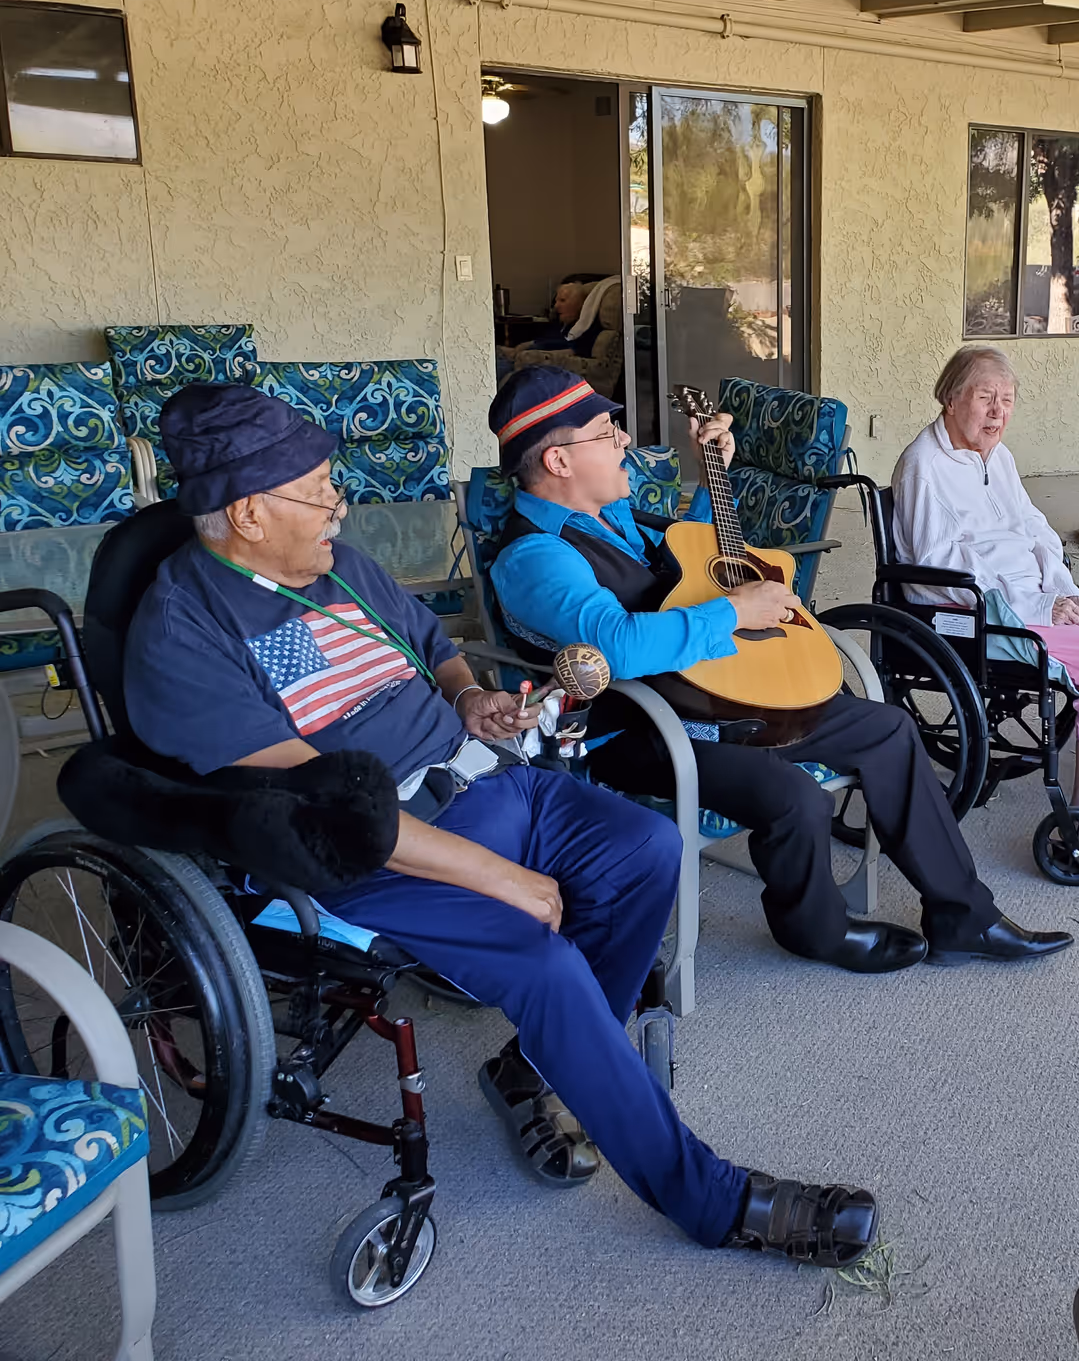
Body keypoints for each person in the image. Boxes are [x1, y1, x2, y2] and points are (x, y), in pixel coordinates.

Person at [121, 381, 877, 1266]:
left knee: (649, 848)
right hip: (363, 848)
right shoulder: (186, 629)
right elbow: (327, 807)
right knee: (547, 964)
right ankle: (709, 1198)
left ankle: (536, 1067)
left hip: (483, 780)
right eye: (320, 487)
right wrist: (503, 878)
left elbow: (434, 645)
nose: (339, 503)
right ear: (248, 512)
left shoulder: (337, 566)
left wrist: (472, 698)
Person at [486, 367, 1073, 971]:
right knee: (792, 796)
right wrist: (736, 609)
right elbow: (621, 645)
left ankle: (963, 917)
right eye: (608, 432)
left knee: (890, 729)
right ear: (558, 460)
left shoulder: (610, 517)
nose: (625, 442)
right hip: (637, 730)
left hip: (717, 695)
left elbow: (682, 563)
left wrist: (713, 474)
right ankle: (814, 930)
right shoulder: (535, 557)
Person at [891, 346, 1079, 885]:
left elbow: (1037, 532)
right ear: (950, 398)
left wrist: (1072, 596)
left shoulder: (996, 458)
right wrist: (1042, 606)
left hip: (1038, 607)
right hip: (983, 619)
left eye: (1007, 401)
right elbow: (937, 567)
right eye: (985, 398)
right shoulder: (923, 466)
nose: (997, 412)